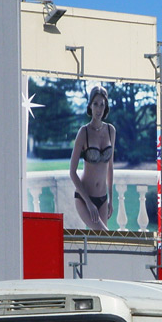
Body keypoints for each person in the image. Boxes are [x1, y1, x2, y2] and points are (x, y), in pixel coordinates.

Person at [69, 85, 116, 232]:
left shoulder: (111, 130)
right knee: (106, 236)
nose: (99, 109)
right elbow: (72, 172)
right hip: (84, 198)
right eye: (95, 104)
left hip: (103, 198)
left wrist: (111, 200)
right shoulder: (83, 132)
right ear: (90, 105)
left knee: (101, 245)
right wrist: (88, 203)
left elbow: (110, 166)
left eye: (102, 104)